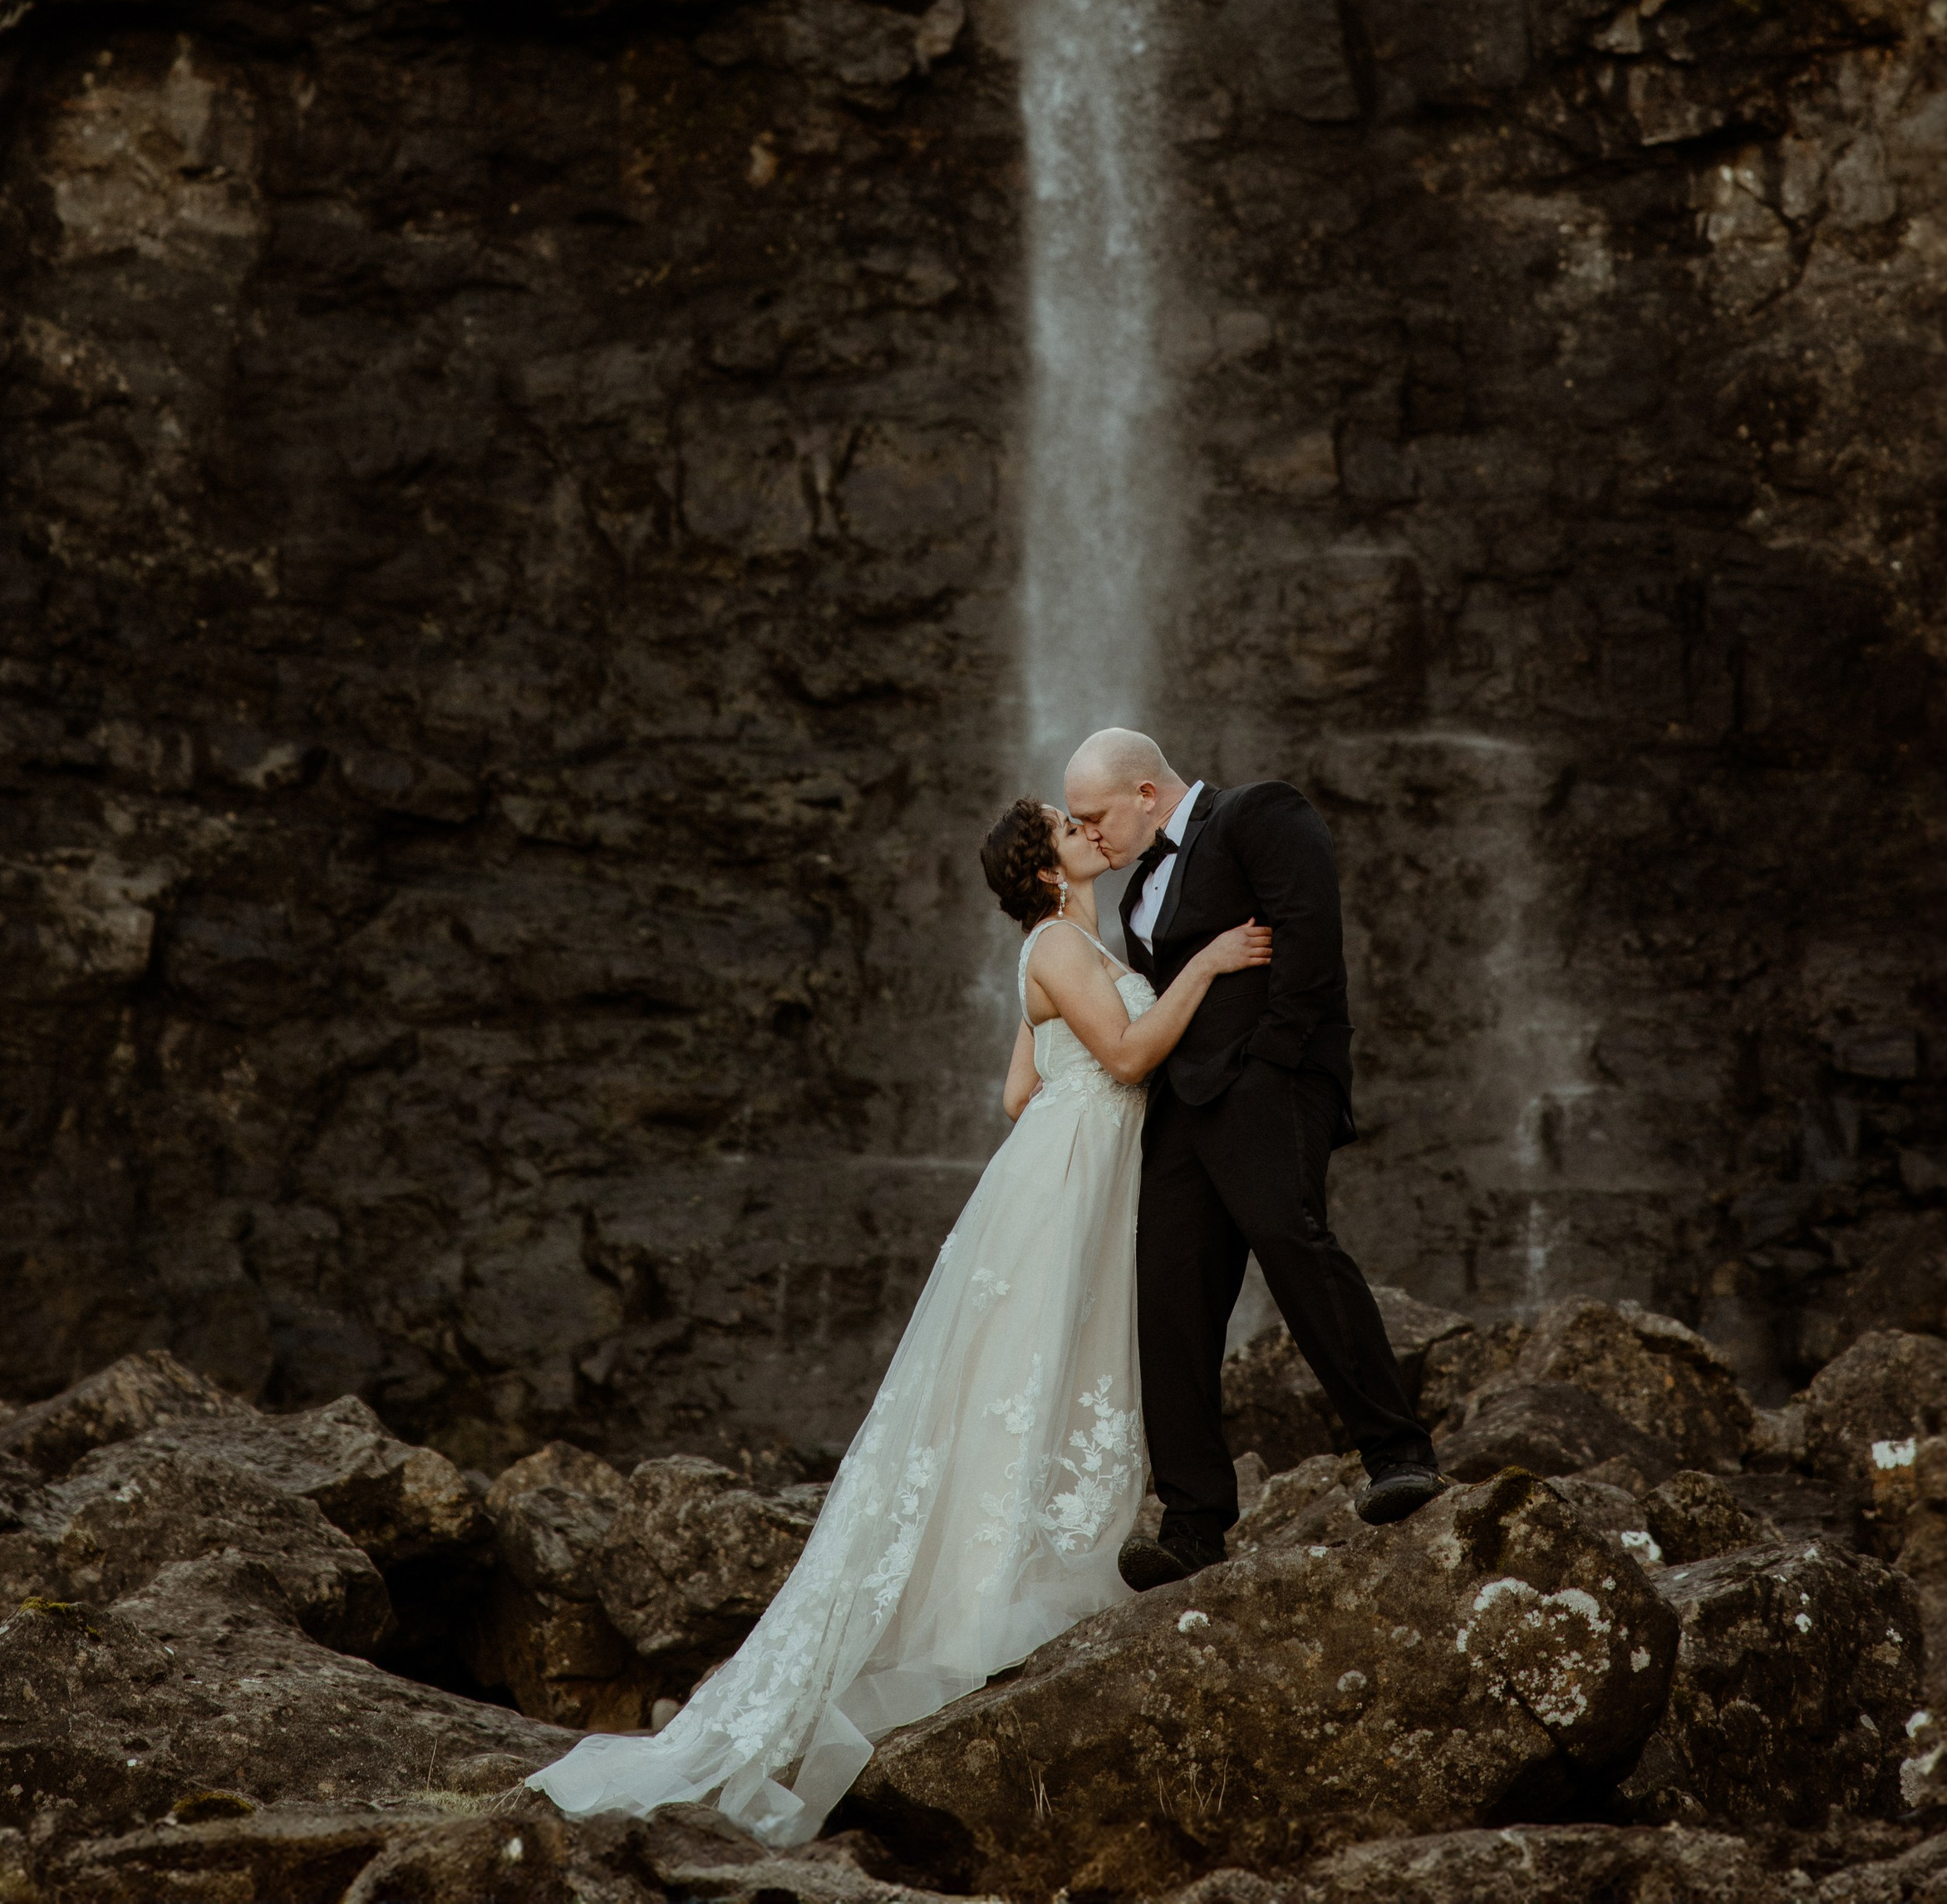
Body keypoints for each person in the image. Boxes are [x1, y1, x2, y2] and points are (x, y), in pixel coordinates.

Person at [525, 795, 1270, 1843]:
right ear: (1044, 866)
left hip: (1056, 1177)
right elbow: (1131, 1059)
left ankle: (1007, 1575)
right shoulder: (1061, 942)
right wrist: (1206, 967)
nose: (1087, 827)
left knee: (1023, 1377)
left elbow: (1019, 1093)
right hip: (1060, 1195)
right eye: (1068, 824)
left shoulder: (1063, 946)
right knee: (1029, 1373)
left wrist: (1077, 1105)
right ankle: (987, 1605)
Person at [1061, 725, 1443, 1590]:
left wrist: (1269, 1067)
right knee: (1167, 1295)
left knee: (1292, 1243)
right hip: (1181, 1107)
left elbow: (1311, 939)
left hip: (1264, 1085)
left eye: (1094, 817)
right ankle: (1193, 1524)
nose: (1089, 837)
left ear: (1146, 794)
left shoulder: (1260, 813)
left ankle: (1398, 1454)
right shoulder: (1134, 893)